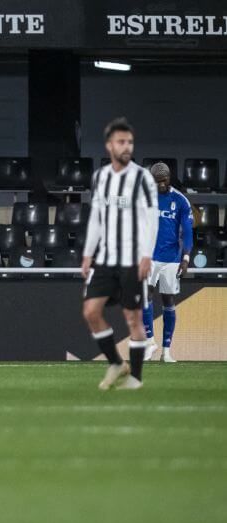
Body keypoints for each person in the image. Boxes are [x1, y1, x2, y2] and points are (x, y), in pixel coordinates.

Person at [82, 118, 158, 390]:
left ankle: (136, 378)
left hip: (132, 259)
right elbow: (96, 218)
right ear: (109, 145)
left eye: (130, 142)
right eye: (121, 142)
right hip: (106, 259)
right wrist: (88, 253)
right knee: (91, 310)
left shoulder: (142, 177)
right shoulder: (101, 177)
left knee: (132, 318)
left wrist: (147, 254)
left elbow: (152, 217)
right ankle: (116, 362)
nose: (127, 147)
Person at [142, 162, 193, 363]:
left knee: (168, 301)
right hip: (149, 257)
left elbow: (187, 231)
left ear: (169, 179)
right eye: (156, 182)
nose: (160, 185)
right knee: (145, 294)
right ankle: (149, 341)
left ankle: (166, 351)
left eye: (163, 181)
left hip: (171, 259)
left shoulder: (180, 201)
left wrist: (186, 257)